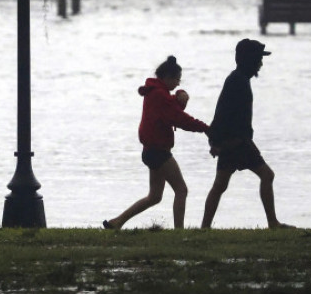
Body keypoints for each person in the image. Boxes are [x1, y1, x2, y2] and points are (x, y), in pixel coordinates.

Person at [103, 55, 209, 230]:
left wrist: (179, 96)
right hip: (158, 152)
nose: (178, 84)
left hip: (151, 151)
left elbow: (170, 111)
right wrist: (206, 128)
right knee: (181, 190)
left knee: (154, 197)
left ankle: (117, 222)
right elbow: (179, 119)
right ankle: (179, 231)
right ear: (167, 77)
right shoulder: (159, 94)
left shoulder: (157, 92)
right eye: (177, 80)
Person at [202, 38, 293, 229]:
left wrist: (216, 141)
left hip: (233, 141)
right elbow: (223, 114)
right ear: (249, 60)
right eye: (259, 59)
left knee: (220, 185)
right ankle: (273, 223)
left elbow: (221, 114)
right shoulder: (238, 82)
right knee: (267, 175)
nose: (261, 64)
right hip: (237, 142)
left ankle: (205, 227)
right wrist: (216, 141)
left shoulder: (238, 79)